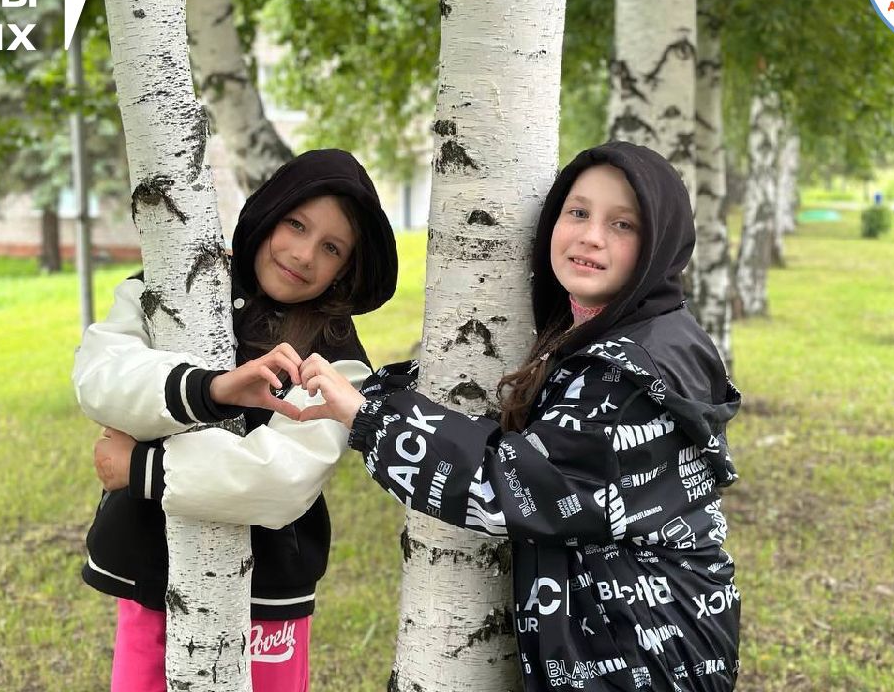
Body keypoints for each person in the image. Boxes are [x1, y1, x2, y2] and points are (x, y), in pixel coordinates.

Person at [297, 142, 741, 691]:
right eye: (577, 212)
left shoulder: (625, 379)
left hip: (641, 655)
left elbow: (508, 485)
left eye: (623, 224)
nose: (591, 236)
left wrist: (370, 418)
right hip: (649, 634)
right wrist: (387, 389)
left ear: (659, 244)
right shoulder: (628, 334)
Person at [72, 148, 398, 692]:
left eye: (331, 247)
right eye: (296, 224)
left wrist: (142, 467)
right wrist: (211, 389)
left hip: (268, 587)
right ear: (269, 212)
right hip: (151, 563)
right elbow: (103, 375)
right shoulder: (173, 291)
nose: (303, 254)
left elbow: (282, 477)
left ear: (346, 269)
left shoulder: (336, 357)